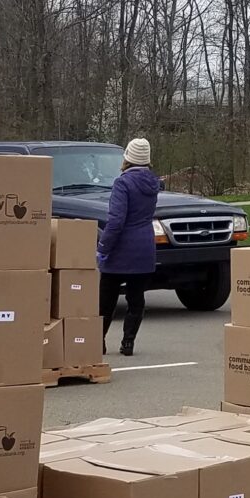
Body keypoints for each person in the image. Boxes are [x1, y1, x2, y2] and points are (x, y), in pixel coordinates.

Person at [97, 137, 161, 357]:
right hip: (144, 246)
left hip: (121, 248)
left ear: (127, 158)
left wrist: (103, 248)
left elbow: (116, 221)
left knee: (106, 299)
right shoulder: (153, 184)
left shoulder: (122, 183)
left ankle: (98, 342)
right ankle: (128, 343)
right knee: (136, 299)